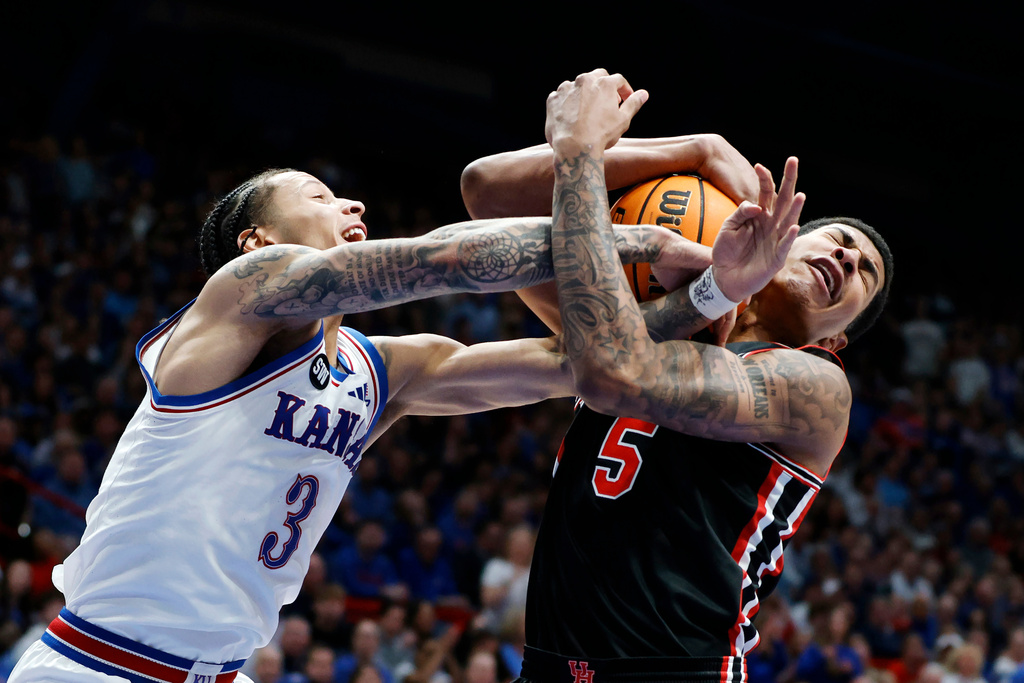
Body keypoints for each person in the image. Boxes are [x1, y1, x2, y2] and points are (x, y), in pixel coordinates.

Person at [6, 152, 714, 679]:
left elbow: (580, 364)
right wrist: (637, 237)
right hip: (96, 663)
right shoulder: (240, 294)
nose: (351, 205)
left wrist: (718, 286)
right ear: (257, 239)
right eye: (319, 195)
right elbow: (441, 260)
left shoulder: (381, 371)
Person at [462, 69, 893, 681]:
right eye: (839, 240)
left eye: (864, 275)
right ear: (783, 237)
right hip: (549, 668)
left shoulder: (815, 384)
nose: (848, 258)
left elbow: (614, 373)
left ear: (837, 336)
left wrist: (580, 152)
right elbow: (488, 193)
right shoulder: (636, 317)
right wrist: (700, 150)